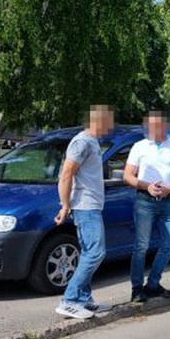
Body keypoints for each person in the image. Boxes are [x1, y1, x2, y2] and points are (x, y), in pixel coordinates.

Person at [54, 105, 115, 319]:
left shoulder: (93, 142)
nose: (110, 125)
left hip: (92, 206)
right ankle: (69, 300)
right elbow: (66, 174)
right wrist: (64, 205)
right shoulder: (82, 142)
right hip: (85, 207)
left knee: (89, 252)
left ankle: (84, 300)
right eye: (107, 120)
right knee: (96, 252)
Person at [123, 111, 170, 302]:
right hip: (145, 200)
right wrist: (147, 186)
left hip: (168, 200)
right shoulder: (139, 147)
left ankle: (153, 283)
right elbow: (127, 176)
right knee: (141, 246)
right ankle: (137, 289)